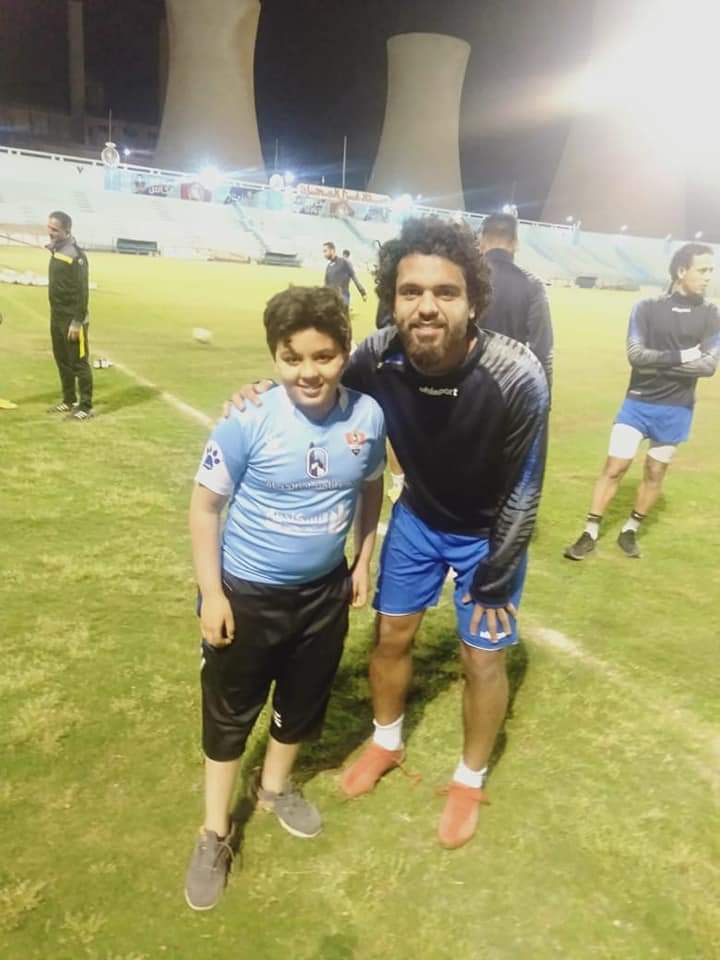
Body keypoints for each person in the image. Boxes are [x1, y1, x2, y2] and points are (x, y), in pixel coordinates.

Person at [231, 218, 549, 850]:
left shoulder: (518, 375)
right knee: (390, 636)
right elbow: (312, 382)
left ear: (473, 302)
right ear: (392, 299)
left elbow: (526, 485)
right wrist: (264, 390)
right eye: (411, 291)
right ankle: (386, 741)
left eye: (445, 292)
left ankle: (469, 778)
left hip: (490, 533)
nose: (426, 306)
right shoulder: (377, 357)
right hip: (418, 519)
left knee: (482, 656)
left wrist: (494, 575)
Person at [185, 286, 385, 911]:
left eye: (323, 357)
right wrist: (213, 594)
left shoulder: (367, 417)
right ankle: (214, 832)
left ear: (345, 352)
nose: (308, 372)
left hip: (323, 595)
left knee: (302, 703)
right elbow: (204, 508)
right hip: (247, 596)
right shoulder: (246, 418)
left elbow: (371, 488)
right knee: (230, 714)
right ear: (274, 356)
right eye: (292, 358)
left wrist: (363, 561)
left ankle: (274, 788)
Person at [564, 243, 720, 560]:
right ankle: (590, 532)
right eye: (702, 270)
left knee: (655, 472)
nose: (708, 277)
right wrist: (683, 355)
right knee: (615, 466)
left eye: (711, 270)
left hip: (677, 408)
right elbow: (636, 356)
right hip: (638, 403)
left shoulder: (712, 314)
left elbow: (708, 366)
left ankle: (630, 530)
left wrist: (657, 362)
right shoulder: (647, 307)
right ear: (681, 271)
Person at [477, 212, 554, 392]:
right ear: (515, 243)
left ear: (481, 242)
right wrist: (544, 397)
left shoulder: (463, 280)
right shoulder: (533, 285)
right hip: (512, 387)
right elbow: (542, 351)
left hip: (468, 387)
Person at [46, 211, 93, 420]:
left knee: (78, 362)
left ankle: (85, 407)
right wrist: (52, 247)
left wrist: (77, 321)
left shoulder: (76, 255)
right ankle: (68, 400)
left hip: (73, 318)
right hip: (56, 316)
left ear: (67, 230)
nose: (50, 232)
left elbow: (83, 291)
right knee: (62, 359)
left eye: (55, 230)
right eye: (49, 228)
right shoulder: (57, 249)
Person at [323, 241, 367, 306]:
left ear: (332, 250)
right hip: (331, 302)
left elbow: (354, 277)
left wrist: (362, 292)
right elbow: (326, 285)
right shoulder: (328, 267)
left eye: (325, 251)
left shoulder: (344, 262)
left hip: (343, 300)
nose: (324, 254)